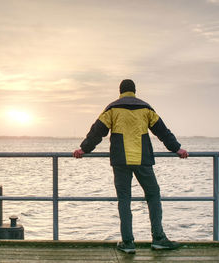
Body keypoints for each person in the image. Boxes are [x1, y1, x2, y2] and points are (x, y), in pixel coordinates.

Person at [73, 79, 189, 254]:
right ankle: (158, 239)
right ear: (135, 91)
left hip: (120, 161)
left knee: (124, 200)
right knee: (153, 195)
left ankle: (128, 243)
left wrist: (84, 149)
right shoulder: (146, 108)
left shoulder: (112, 108)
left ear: (120, 91)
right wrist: (177, 149)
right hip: (143, 160)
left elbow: (97, 132)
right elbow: (162, 132)